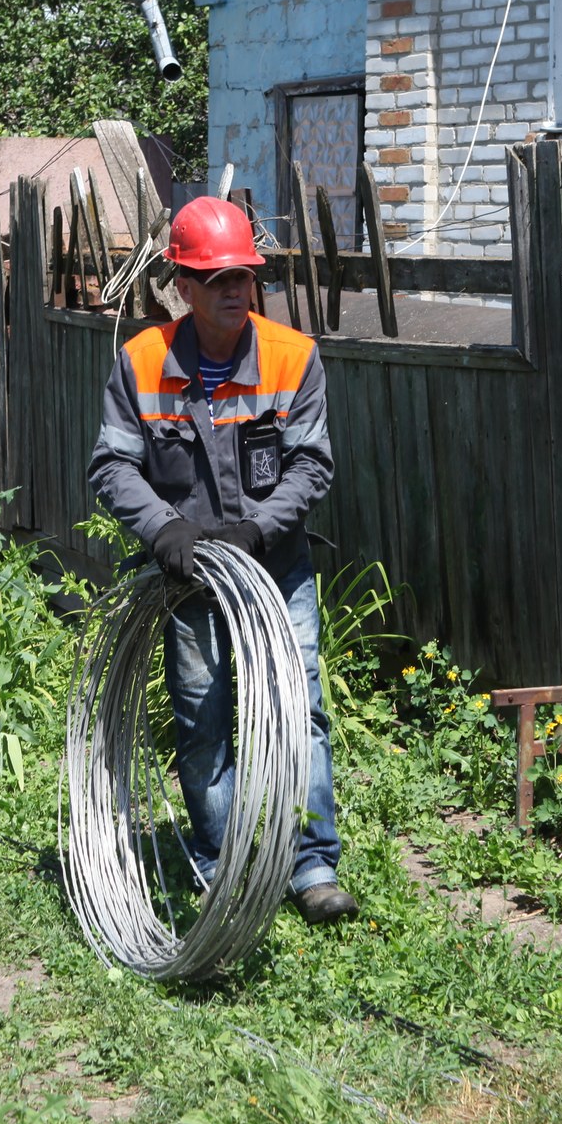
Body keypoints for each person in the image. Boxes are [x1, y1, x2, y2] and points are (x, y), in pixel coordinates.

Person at [87, 196, 359, 926]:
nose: (235, 289)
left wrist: (257, 530)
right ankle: (225, 861)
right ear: (182, 282)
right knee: (202, 715)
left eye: (244, 275)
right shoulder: (141, 363)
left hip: (277, 566)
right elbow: (113, 466)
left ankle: (309, 864)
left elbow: (312, 465)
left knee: (297, 706)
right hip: (187, 574)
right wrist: (164, 528)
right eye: (218, 279)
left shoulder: (292, 356)